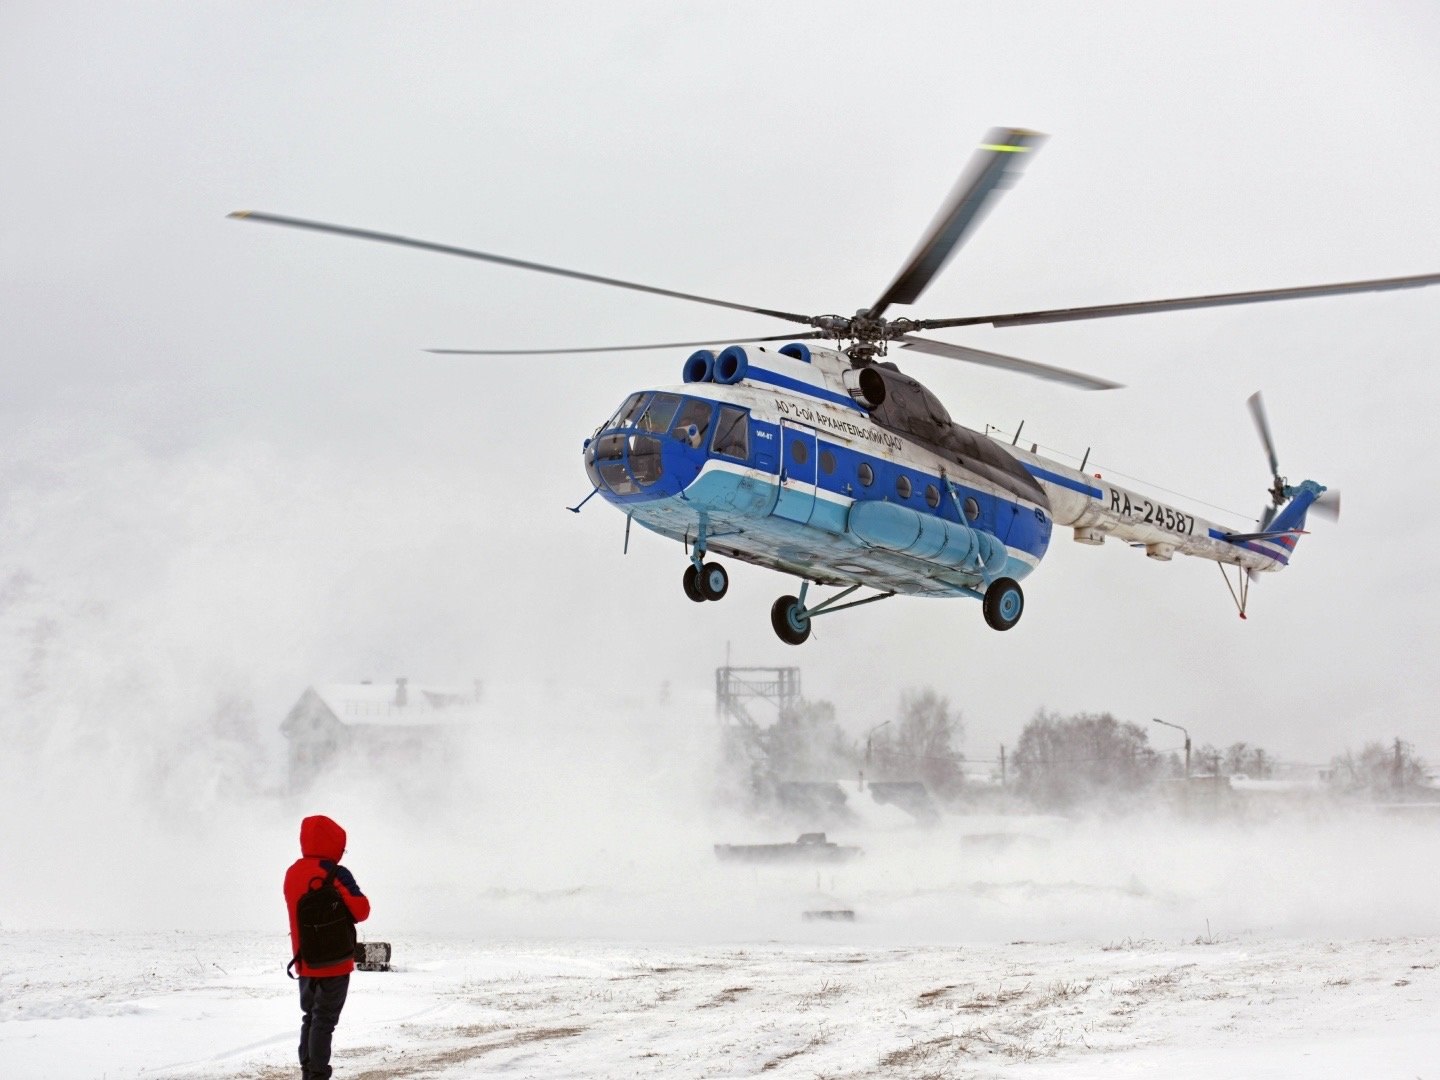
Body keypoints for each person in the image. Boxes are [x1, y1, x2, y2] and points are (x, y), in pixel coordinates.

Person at [284, 814, 370, 1080]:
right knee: (324, 1022)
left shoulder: (292, 872)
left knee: (310, 1017)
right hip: (335, 962)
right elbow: (362, 910)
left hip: (305, 961)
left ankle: (308, 1071)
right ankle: (318, 1075)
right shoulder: (336, 873)